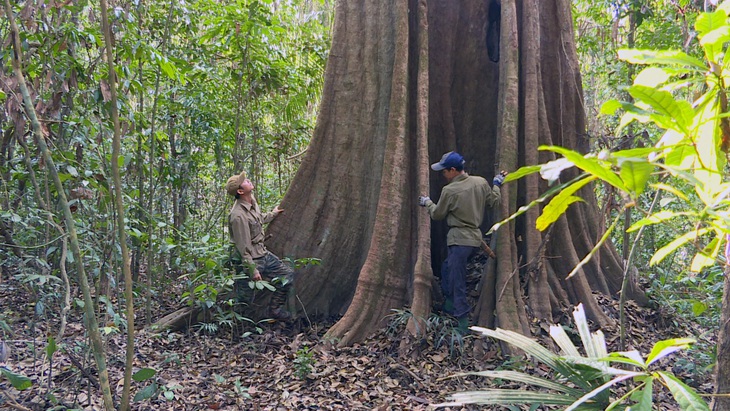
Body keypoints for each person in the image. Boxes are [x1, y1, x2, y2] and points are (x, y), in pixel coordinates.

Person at [418, 151, 507, 332]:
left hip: (459, 241)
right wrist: (497, 184)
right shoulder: (481, 182)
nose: (443, 175)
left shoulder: (449, 190)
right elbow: (494, 202)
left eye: (444, 171)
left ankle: (462, 322)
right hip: (474, 240)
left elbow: (437, 214)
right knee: (446, 268)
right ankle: (450, 302)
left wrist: (427, 202)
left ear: (453, 170)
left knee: (457, 279)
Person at [226, 170, 293, 321]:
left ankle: (274, 310)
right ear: (240, 191)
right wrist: (252, 269)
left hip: (263, 254)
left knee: (287, 275)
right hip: (251, 260)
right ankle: (239, 329)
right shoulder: (237, 215)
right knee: (244, 298)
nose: (248, 180)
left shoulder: (252, 201)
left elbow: (258, 219)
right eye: (244, 181)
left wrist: (273, 214)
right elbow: (242, 246)